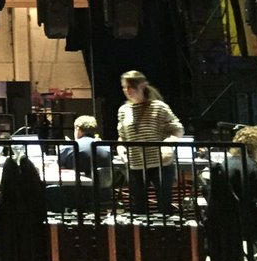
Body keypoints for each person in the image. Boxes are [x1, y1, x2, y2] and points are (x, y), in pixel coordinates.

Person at [117, 70, 183, 214]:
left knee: (164, 205)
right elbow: (122, 136)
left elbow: (177, 130)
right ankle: (141, 235)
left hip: (160, 163)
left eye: (130, 87)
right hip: (136, 164)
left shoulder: (158, 106)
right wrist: (121, 149)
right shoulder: (124, 110)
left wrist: (167, 146)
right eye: (124, 87)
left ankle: (165, 234)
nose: (127, 91)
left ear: (142, 86)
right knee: (138, 206)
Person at [59, 115, 113, 187]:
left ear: (78, 129)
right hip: (102, 193)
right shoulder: (107, 148)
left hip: (75, 193)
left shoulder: (70, 147)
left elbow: (59, 163)